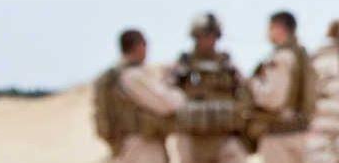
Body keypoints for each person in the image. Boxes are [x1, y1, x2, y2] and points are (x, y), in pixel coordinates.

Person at [93, 28, 186, 163]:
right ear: (139, 46)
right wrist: (177, 90)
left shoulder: (117, 76)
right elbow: (168, 104)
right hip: (143, 146)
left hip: (126, 147)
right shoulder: (133, 76)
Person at [172, 13, 251, 163]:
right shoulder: (184, 65)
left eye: (212, 36)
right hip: (191, 138)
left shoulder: (227, 65)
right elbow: (169, 96)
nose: (209, 40)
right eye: (204, 36)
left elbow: (244, 92)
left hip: (224, 136)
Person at [247, 10, 317, 163]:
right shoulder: (301, 55)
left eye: (270, 28)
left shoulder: (282, 57)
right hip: (300, 133)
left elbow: (272, 99)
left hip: (280, 135)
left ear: (279, 28)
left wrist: (252, 84)